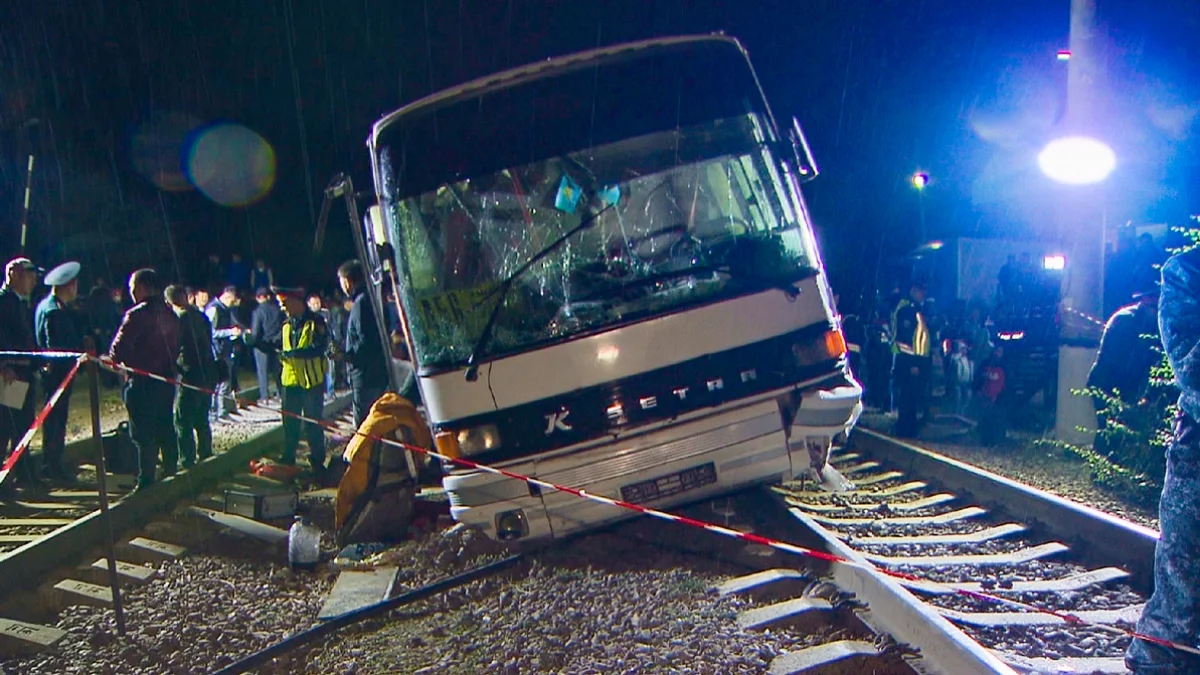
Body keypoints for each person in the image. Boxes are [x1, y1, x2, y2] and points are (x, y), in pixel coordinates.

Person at [1126, 248, 1200, 674]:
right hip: (1198, 457)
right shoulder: (1188, 273)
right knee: (1183, 575)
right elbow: (1192, 370)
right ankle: (1159, 657)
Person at [108, 269, 180, 490]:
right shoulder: (170, 314)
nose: (131, 293)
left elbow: (118, 351)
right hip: (166, 381)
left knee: (143, 433)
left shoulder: (137, 315)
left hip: (141, 382)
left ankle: (146, 479)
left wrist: (114, 359)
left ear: (141, 288)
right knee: (166, 425)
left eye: (132, 288)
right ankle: (171, 472)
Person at [1088, 288, 1161, 454]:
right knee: (1109, 428)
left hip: (1112, 382)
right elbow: (1120, 360)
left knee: (1111, 429)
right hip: (1108, 383)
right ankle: (1103, 470)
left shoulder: (1138, 321)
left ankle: (1103, 469)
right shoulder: (1127, 321)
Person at [34, 261, 84, 482]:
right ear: (69, 286)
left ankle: (51, 463)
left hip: (54, 374)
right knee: (56, 420)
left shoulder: (46, 305)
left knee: (54, 419)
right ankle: (53, 465)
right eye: (75, 285)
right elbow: (56, 346)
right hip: (59, 374)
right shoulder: (55, 312)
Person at [0, 257, 44, 488]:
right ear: (14, 274)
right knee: (6, 428)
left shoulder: (19, 302)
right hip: (11, 376)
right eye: (29, 275)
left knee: (24, 427)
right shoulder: (4, 302)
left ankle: (25, 474)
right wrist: (3, 366)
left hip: (24, 372)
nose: (34, 280)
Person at [274, 286, 328, 474]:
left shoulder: (316, 321)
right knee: (290, 421)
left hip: (312, 381)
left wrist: (296, 354)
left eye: (284, 304)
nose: (283, 308)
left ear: (295, 302)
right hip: (290, 382)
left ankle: (317, 459)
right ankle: (289, 455)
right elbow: (277, 344)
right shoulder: (286, 324)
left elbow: (320, 347)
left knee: (313, 422)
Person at [166, 284, 216, 468]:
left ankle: (187, 459)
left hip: (190, 373)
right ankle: (206, 453)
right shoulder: (200, 316)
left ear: (170, 302)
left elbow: (174, 347)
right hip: (208, 371)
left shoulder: (179, 320)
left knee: (182, 419)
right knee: (202, 416)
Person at [337, 260, 390, 427]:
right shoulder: (372, 298)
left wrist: (346, 356)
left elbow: (365, 340)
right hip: (376, 372)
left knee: (364, 425)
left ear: (348, 281)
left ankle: (367, 454)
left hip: (364, 376)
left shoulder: (360, 304)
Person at [890, 280, 932, 438]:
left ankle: (909, 427)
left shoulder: (914, 309)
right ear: (914, 291)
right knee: (907, 397)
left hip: (914, 361)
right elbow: (906, 339)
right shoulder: (907, 310)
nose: (924, 294)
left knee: (911, 396)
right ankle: (905, 430)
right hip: (908, 362)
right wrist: (913, 364)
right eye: (921, 291)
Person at [206, 285, 243, 420]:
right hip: (216, 352)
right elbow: (210, 332)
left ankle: (222, 412)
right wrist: (229, 332)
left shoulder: (225, 309)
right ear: (227, 296)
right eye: (232, 301)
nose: (233, 304)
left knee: (225, 384)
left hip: (225, 351)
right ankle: (214, 413)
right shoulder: (214, 309)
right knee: (218, 384)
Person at [250, 287, 284, 403]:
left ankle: (265, 396)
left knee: (262, 371)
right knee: (277, 371)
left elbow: (255, 332)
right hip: (277, 344)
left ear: (258, 298)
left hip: (262, 345)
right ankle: (281, 394)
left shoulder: (258, 312)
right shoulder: (278, 310)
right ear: (268, 297)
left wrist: (252, 341)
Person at [307, 293, 336, 400]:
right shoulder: (307, 317)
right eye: (313, 303)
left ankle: (330, 392)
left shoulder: (326, 313)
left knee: (330, 369)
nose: (316, 305)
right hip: (314, 347)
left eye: (318, 303)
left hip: (327, 344)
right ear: (309, 304)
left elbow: (332, 328)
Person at [949, 340, 974, 416]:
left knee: (968, 396)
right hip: (958, 383)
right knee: (958, 398)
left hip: (966, 383)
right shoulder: (956, 360)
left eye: (965, 349)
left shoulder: (970, 361)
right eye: (963, 349)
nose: (964, 350)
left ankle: (962, 412)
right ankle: (955, 414)